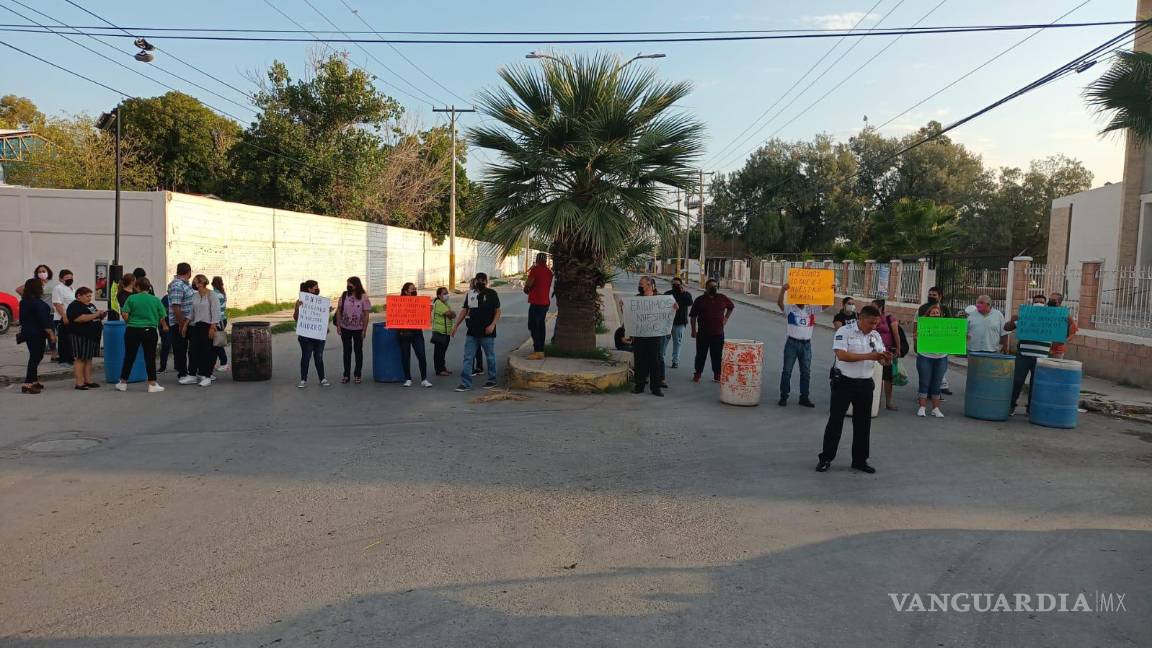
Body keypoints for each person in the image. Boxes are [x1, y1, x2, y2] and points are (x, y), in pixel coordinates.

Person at [816, 305, 890, 474]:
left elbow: (880, 357)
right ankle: (826, 458)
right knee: (835, 422)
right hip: (844, 382)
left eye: (876, 323)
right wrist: (869, 356)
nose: (873, 326)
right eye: (871, 323)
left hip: (865, 383)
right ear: (861, 319)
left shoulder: (875, 335)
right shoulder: (845, 331)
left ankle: (860, 460)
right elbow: (841, 355)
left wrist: (885, 360)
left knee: (863, 424)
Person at [116, 277, 168, 393]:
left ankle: (123, 383)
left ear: (137, 287)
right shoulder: (155, 300)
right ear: (149, 287)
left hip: (132, 330)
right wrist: (164, 326)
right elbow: (162, 315)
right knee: (150, 357)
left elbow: (124, 314)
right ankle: (152, 384)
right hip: (150, 330)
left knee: (129, 356)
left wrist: (129, 322)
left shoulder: (131, 298)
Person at [1004, 294, 1052, 416]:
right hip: (1023, 354)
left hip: (1041, 357)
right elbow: (1007, 327)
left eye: (1041, 302)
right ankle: (1010, 406)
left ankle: (1031, 409)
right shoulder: (1024, 316)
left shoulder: (1051, 318)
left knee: (1036, 384)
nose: (1039, 304)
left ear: (1046, 305)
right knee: (1017, 381)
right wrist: (1014, 319)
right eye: (1036, 301)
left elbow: (1062, 334)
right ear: (1031, 304)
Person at [452, 272, 501, 392]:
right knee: (468, 357)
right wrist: (456, 325)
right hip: (472, 332)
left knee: (490, 357)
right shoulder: (470, 294)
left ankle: (492, 380)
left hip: (487, 332)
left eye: (482, 280)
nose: (480, 283)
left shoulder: (492, 294)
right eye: (478, 280)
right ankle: (465, 383)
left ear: (486, 282)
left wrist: (492, 325)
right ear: (475, 281)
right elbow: (465, 310)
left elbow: (498, 311)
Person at [777, 282, 821, 408]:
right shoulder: (790, 308)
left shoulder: (811, 309)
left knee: (806, 372)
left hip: (806, 344)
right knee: (787, 371)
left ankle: (804, 397)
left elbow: (826, 304)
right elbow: (779, 304)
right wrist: (782, 290)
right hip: (792, 343)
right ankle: (784, 396)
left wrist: (831, 292)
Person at [689, 278, 735, 383]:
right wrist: (693, 330)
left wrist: (726, 318)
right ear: (706, 288)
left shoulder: (722, 298)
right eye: (711, 286)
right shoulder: (700, 300)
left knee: (717, 355)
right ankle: (698, 374)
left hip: (718, 334)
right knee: (701, 355)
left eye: (715, 286)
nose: (713, 288)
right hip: (703, 334)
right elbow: (693, 316)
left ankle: (717, 375)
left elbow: (731, 307)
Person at [630, 276, 668, 397]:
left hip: (654, 336)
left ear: (649, 285)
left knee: (655, 362)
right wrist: (623, 306)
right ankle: (639, 386)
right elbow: (630, 315)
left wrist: (674, 308)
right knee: (640, 361)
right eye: (639, 283)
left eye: (642, 284)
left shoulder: (659, 299)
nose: (640, 285)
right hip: (640, 336)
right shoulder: (636, 299)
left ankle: (655, 388)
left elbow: (668, 313)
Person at [18, 278, 56, 394]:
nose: (43, 287)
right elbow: (43, 320)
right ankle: (28, 383)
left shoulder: (24, 301)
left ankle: (33, 381)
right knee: (35, 357)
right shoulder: (37, 303)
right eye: (41, 285)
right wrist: (51, 334)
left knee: (37, 356)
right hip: (37, 333)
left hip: (28, 332)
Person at [183, 274, 221, 387]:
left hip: (209, 326)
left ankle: (207, 376)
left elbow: (216, 311)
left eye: (195, 282)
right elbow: (192, 312)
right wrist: (185, 325)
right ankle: (192, 375)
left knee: (208, 352)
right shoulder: (195, 296)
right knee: (193, 350)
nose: (194, 284)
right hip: (196, 326)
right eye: (193, 282)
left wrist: (213, 326)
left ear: (202, 282)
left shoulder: (211, 295)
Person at [66, 287, 106, 390]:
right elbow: (80, 318)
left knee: (88, 359)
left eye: (90, 296)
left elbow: (94, 315)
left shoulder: (91, 305)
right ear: (79, 296)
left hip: (92, 336)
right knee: (80, 358)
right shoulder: (74, 306)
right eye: (87, 296)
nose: (89, 298)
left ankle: (88, 380)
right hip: (80, 335)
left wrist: (100, 315)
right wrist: (96, 314)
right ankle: (79, 382)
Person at [293, 280, 331, 388]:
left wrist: (325, 324)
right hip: (306, 336)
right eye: (315, 287)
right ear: (309, 289)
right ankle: (303, 379)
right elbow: (296, 318)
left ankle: (322, 378)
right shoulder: (300, 301)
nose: (317, 289)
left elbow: (321, 318)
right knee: (306, 356)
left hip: (318, 335)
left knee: (318, 356)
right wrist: (297, 308)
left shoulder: (320, 301)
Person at [334, 276, 372, 384]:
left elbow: (366, 314)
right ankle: (346, 375)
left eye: (350, 284)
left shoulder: (364, 297)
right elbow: (339, 310)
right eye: (347, 284)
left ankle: (358, 374)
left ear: (356, 285)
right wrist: (338, 326)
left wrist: (364, 330)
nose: (348, 286)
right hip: (345, 328)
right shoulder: (345, 295)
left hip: (358, 329)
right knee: (347, 351)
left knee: (358, 351)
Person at [918, 286, 954, 395]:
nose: (931, 296)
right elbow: (921, 325)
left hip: (941, 346)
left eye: (934, 295)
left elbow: (950, 325)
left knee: (938, 376)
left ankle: (935, 395)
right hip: (927, 346)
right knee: (925, 375)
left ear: (940, 296)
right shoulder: (923, 308)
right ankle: (924, 395)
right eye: (930, 294)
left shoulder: (945, 309)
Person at [915, 303, 949, 418]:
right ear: (928, 314)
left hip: (941, 357)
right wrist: (917, 336)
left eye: (937, 313)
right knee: (924, 382)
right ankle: (922, 407)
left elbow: (952, 339)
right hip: (925, 356)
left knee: (937, 383)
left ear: (941, 315)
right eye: (933, 312)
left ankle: (936, 408)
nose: (935, 314)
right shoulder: (923, 324)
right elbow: (917, 336)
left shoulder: (945, 326)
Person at [396, 282, 433, 388]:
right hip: (403, 333)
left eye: (415, 288)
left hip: (416, 332)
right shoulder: (399, 302)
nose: (414, 290)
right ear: (405, 291)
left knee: (421, 355)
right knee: (405, 356)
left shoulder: (419, 301)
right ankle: (408, 378)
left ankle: (424, 379)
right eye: (412, 289)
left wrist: (428, 310)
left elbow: (426, 318)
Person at [167, 262, 195, 382]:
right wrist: (181, 324)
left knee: (191, 348)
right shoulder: (178, 285)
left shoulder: (185, 284)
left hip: (188, 322)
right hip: (180, 323)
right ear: (188, 272)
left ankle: (191, 372)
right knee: (180, 349)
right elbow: (176, 307)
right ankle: (183, 373)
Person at [872, 299, 902, 411]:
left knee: (888, 378)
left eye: (874, 306)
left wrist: (898, 349)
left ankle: (888, 402)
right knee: (876, 377)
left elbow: (896, 334)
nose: (872, 308)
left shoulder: (890, 318)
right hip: (874, 351)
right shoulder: (871, 318)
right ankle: (876, 401)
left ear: (880, 308)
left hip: (888, 351)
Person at [524, 252, 553, 360]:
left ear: (537, 259)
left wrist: (526, 289)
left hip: (536, 302)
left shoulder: (535, 269)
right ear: (545, 261)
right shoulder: (549, 272)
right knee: (541, 325)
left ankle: (538, 350)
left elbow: (529, 284)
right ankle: (541, 348)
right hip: (545, 302)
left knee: (533, 326)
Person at [664, 276, 694, 368]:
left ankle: (675, 361)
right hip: (667, 323)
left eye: (677, 284)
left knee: (677, 342)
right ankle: (661, 358)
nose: (676, 286)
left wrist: (682, 292)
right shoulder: (667, 294)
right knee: (664, 342)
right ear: (671, 285)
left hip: (679, 323)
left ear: (681, 285)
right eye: (674, 284)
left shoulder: (686, 294)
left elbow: (690, 302)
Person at [51, 269, 76, 368]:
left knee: (71, 339)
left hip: (72, 318)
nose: (70, 279)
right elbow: (58, 304)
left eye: (71, 277)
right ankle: (63, 360)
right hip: (62, 318)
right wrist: (64, 316)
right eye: (67, 278)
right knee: (64, 339)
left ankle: (70, 358)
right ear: (61, 279)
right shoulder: (58, 288)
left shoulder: (72, 289)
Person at [430, 287, 456, 376]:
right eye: (444, 293)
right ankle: (439, 370)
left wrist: (451, 313)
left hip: (446, 332)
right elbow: (450, 314)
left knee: (442, 351)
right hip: (440, 332)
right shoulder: (438, 303)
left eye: (447, 293)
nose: (446, 295)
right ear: (439, 295)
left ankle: (443, 368)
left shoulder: (445, 303)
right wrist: (451, 313)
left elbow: (453, 315)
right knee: (439, 352)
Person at [1046, 292, 1079, 359]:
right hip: (1044, 348)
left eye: (1053, 300)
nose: (1050, 301)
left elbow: (1073, 331)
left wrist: (1064, 340)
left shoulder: (1064, 314)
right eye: (1049, 299)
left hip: (1057, 351)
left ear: (1059, 302)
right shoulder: (1044, 311)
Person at [211, 277, 230, 372]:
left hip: (218, 321)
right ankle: (215, 362)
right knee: (215, 343)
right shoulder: (221, 293)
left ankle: (224, 363)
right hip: (222, 320)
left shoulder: (215, 294)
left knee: (217, 343)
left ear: (212, 283)